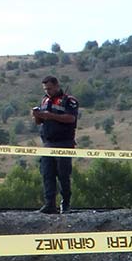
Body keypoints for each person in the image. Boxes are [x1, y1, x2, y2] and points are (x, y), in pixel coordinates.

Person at [32, 76, 79, 214]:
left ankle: (65, 204)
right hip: (47, 143)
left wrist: (50, 115)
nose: (48, 91)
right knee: (47, 174)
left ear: (57, 85)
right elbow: (39, 122)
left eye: (50, 88)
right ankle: (49, 204)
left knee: (63, 174)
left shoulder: (69, 101)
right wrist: (37, 115)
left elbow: (71, 118)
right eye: (45, 89)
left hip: (63, 143)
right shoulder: (45, 100)